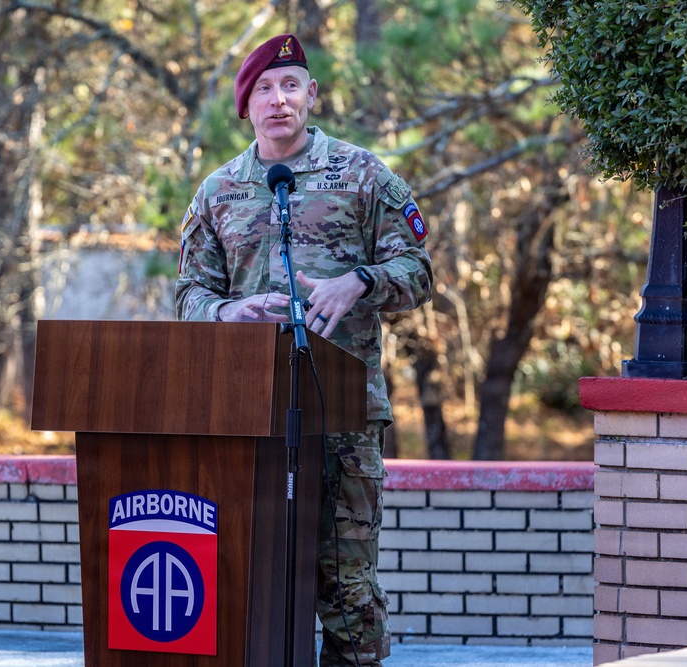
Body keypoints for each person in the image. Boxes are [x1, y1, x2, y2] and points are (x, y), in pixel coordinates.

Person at [175, 33, 432, 667]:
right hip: (246, 419)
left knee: (345, 589)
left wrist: (361, 282)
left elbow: (420, 271)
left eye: (291, 85)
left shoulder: (363, 174)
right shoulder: (218, 192)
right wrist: (231, 311)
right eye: (264, 88)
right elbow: (187, 296)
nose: (279, 100)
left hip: (342, 414)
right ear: (246, 105)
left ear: (312, 95)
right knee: (250, 577)